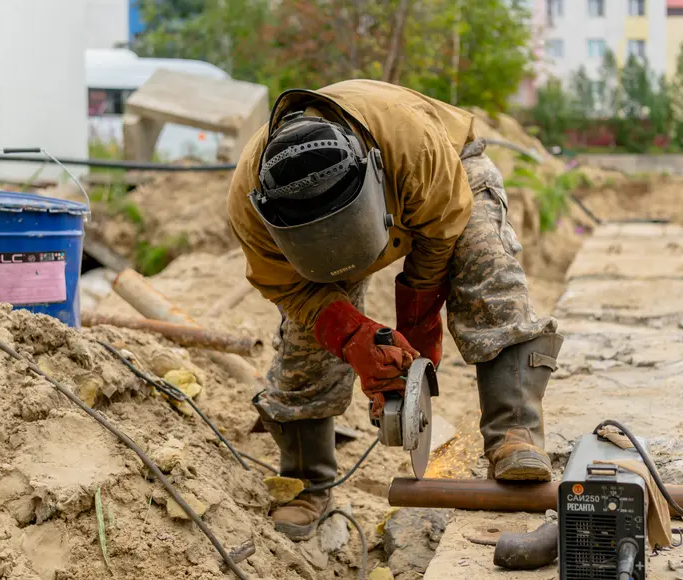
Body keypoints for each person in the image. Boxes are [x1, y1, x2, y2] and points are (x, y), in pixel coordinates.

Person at [227, 80, 563, 541]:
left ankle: (514, 435)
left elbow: (439, 240)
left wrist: (419, 326)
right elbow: (290, 288)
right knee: (307, 339)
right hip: (321, 239)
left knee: (489, 271)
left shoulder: (413, 146)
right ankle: (306, 483)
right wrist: (352, 337)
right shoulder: (249, 206)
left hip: (446, 177)